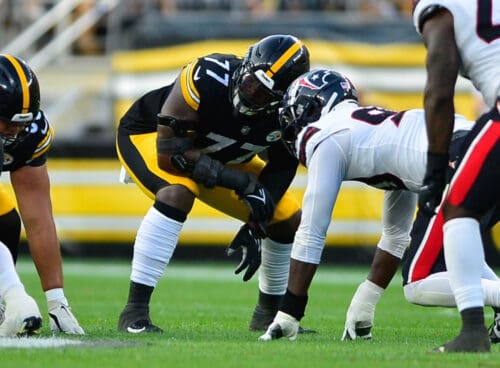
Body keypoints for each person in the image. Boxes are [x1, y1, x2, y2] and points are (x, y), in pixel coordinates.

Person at [258, 67, 474, 341]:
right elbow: (396, 236)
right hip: (476, 145)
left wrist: (289, 312)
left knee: (419, 282)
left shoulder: (326, 135)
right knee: (467, 259)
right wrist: (365, 303)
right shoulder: (377, 133)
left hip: (460, 156)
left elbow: (311, 233)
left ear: (314, 105)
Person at [116, 34, 310, 333]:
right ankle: (134, 311)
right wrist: (242, 183)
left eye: (261, 93)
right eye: (249, 83)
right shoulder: (207, 75)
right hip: (152, 138)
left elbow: (283, 164)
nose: (250, 94)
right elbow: (172, 157)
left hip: (221, 153)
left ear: (282, 98)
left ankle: (269, 315)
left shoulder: (290, 111)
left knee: (285, 217)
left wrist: (258, 216)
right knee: (178, 193)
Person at [412, 0, 500, 352]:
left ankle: (473, 331)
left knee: (458, 208)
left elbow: (440, 81)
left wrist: (435, 169)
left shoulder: (438, 7)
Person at [0, 54, 84, 335]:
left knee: (6, 220)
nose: (16, 132)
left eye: (21, 124)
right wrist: (17, 295)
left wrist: (56, 299)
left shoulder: (29, 133)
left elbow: (38, 219)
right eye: (8, 123)